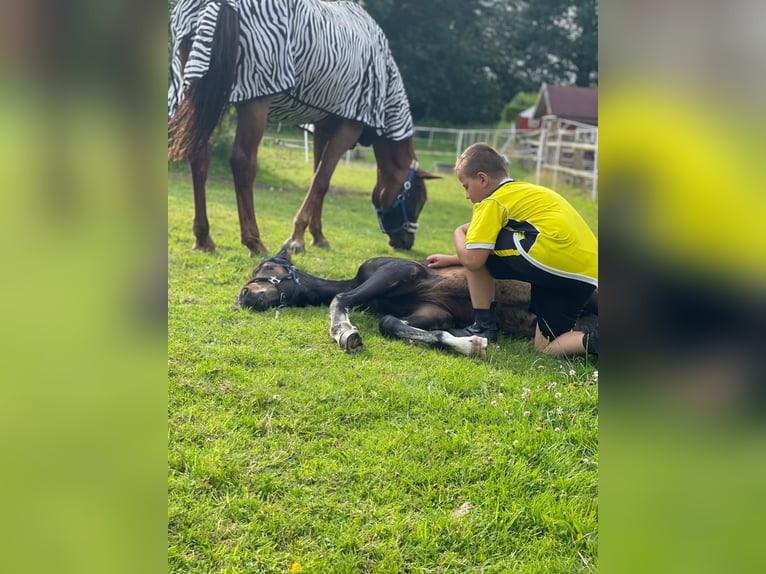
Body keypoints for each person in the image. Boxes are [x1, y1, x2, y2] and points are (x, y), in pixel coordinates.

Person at [426, 142, 598, 356]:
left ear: (482, 179)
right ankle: (596, 340)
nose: (467, 196)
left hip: (551, 257)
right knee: (545, 347)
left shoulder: (492, 201)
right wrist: (453, 259)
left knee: (475, 246)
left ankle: (483, 328)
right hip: (585, 274)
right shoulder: (527, 192)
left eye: (466, 186)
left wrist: (457, 233)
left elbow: (474, 261)